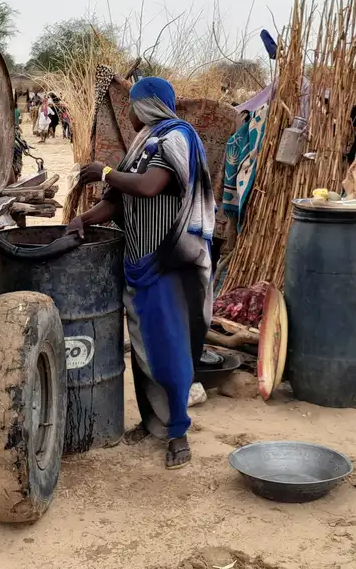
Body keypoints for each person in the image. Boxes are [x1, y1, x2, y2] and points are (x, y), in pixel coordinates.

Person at [66, 77, 214, 469]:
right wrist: (84, 218)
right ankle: (155, 424)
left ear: (145, 105)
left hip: (170, 264)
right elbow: (117, 202)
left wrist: (104, 172)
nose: (128, 113)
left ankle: (178, 432)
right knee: (144, 349)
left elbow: (149, 187)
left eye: (131, 105)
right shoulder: (144, 141)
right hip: (139, 260)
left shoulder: (176, 139)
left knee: (169, 350)